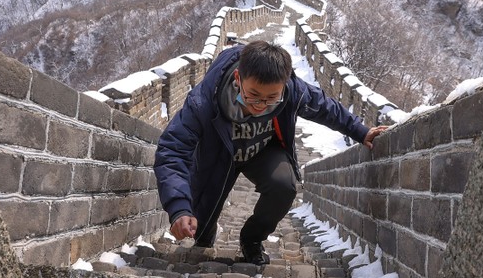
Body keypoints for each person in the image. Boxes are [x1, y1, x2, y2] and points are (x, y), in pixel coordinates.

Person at [153, 40, 388, 265]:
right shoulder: (204, 102)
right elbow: (173, 149)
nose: (260, 106)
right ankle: (205, 235)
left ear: (284, 86)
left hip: (261, 152)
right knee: (197, 228)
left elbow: (324, 107)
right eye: (253, 95)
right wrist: (179, 207)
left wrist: (360, 131)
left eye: (271, 98)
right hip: (218, 158)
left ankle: (252, 239)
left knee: (284, 187)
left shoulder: (292, 90)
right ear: (238, 79)